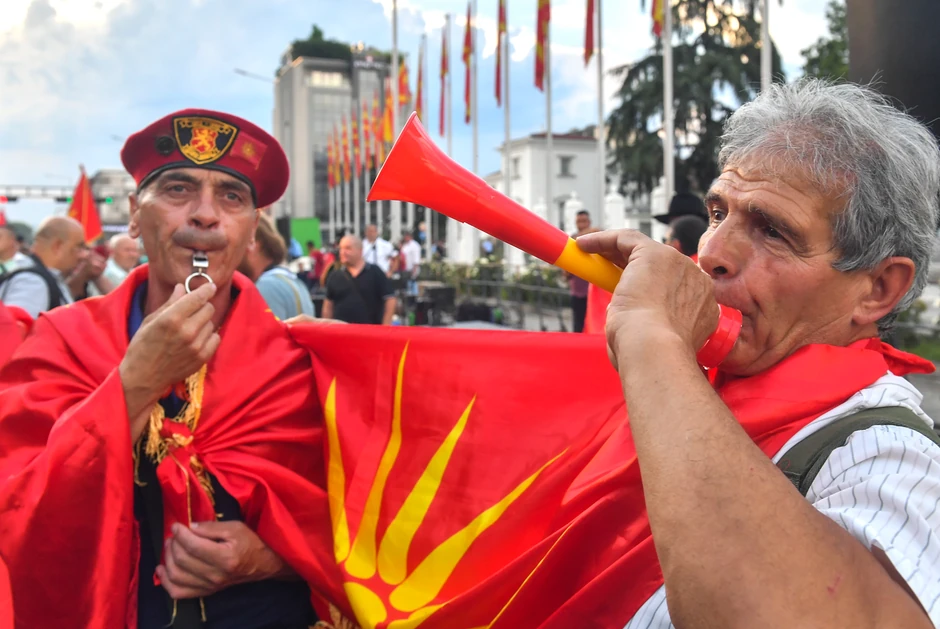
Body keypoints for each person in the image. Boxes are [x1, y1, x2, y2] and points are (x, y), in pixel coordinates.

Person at [575, 79, 940, 627]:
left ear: (878, 289)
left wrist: (651, 337)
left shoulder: (888, 455)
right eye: (719, 212)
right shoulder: (694, 379)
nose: (712, 252)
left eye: (773, 231)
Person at [0, 108, 339, 628]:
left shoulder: (299, 366)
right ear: (136, 216)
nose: (205, 215)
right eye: (179, 190)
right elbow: (18, 513)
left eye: (231, 196)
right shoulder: (62, 340)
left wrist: (270, 559)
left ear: (252, 232)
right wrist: (135, 383)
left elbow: (357, 536)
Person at [0, 216, 85, 318]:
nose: (82, 254)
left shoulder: (40, 278)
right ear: (57, 246)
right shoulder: (32, 282)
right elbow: (14, 329)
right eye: (79, 246)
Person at [239, 214, 315, 321]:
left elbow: (266, 336)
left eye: (239, 243)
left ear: (254, 243)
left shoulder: (266, 287)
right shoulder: (293, 281)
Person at [323, 234, 396, 325]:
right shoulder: (335, 276)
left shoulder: (375, 272)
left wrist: (386, 327)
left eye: (348, 248)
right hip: (341, 333)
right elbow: (328, 305)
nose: (342, 252)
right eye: (341, 248)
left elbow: (390, 299)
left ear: (360, 251)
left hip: (370, 332)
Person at [567, 210, 598, 333]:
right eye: (578, 222)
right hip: (577, 290)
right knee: (578, 325)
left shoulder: (594, 237)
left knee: (593, 324)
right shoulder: (572, 241)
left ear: (589, 222)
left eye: (584, 221)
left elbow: (596, 230)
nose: (581, 224)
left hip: (593, 291)